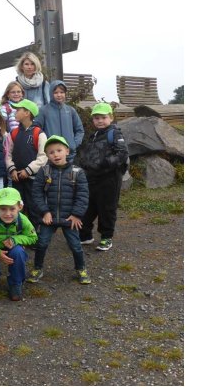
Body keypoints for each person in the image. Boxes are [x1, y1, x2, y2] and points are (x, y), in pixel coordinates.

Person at [28, 135, 92, 285]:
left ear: (67, 151)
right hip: (48, 218)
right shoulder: (44, 172)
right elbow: (36, 194)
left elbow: (83, 195)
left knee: (75, 246)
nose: (55, 154)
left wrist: (76, 214)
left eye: (59, 150)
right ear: (47, 155)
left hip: (69, 218)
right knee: (42, 243)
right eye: (51, 152)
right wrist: (44, 212)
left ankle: (81, 268)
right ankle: (37, 268)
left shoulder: (77, 172)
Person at [75, 102, 129, 251]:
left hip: (109, 179)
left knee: (107, 209)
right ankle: (85, 235)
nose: (100, 121)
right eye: (96, 118)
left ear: (111, 118)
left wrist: (104, 164)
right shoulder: (93, 136)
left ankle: (106, 237)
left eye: (103, 117)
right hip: (92, 178)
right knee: (88, 206)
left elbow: (122, 154)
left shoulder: (115, 133)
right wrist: (82, 166)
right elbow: (86, 155)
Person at [4, 99, 47, 222]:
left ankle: (34, 237)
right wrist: (12, 170)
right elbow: (8, 154)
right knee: (17, 208)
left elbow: (43, 156)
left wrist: (28, 170)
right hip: (17, 178)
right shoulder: (13, 133)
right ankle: (18, 234)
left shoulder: (39, 133)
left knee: (34, 208)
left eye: (18, 110)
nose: (15, 113)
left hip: (33, 180)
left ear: (27, 113)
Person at [34, 80, 84, 164]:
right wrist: (45, 146)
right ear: (51, 93)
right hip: (52, 155)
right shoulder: (43, 110)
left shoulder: (70, 110)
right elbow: (36, 130)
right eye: (56, 92)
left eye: (62, 92)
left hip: (70, 155)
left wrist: (74, 144)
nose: (59, 95)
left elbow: (79, 130)